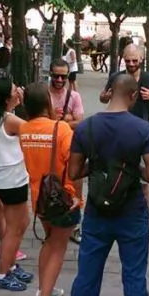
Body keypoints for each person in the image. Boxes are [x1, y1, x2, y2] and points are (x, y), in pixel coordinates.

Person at [63, 74, 149, 296]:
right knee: (134, 276)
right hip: (131, 212)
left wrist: (100, 168)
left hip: (96, 211)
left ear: (110, 92)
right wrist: (131, 169)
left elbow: (73, 172)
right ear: (133, 96)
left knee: (87, 275)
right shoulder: (143, 130)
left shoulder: (87, 127)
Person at [18, 83, 81, 296]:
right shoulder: (61, 129)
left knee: (49, 241)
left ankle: (43, 288)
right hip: (62, 198)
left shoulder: (24, 129)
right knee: (58, 247)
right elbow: (74, 163)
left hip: (39, 197)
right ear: (47, 103)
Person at [100, 44, 149, 237]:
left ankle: (145, 218)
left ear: (141, 59)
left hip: (142, 133)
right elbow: (103, 98)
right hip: (117, 132)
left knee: (145, 180)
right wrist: (106, 95)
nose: (131, 64)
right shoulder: (116, 77)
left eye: (135, 60)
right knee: (115, 173)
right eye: (128, 60)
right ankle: (115, 212)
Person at [0, 78, 34, 292]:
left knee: (21, 222)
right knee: (15, 227)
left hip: (6, 178)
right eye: (15, 90)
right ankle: (2, 274)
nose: (18, 91)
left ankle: (11, 265)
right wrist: (28, 102)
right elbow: (35, 129)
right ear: (7, 99)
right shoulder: (10, 120)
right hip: (11, 180)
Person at [49, 58, 85, 244]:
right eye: (56, 76)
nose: (60, 80)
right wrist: (68, 120)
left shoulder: (74, 96)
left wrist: (59, 122)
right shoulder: (44, 94)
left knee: (75, 185)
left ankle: (76, 226)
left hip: (71, 148)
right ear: (50, 73)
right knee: (50, 187)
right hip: (48, 150)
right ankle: (52, 225)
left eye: (63, 76)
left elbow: (80, 122)